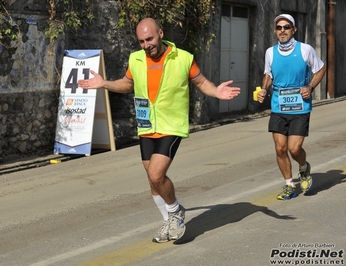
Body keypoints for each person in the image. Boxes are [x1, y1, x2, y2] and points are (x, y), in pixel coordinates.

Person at [77, 18, 240, 243]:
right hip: (146, 125)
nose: (146, 45)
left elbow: (201, 82)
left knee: (156, 174)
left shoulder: (183, 58)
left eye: (150, 39)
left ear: (161, 33)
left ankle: (175, 212)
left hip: (171, 125)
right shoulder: (136, 59)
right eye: (142, 41)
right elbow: (127, 83)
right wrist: (104, 83)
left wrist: (216, 92)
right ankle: (169, 221)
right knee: (152, 180)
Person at [257, 14, 326, 200]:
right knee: (280, 148)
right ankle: (289, 184)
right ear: (275, 31)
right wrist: (264, 89)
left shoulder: (305, 49)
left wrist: (310, 87)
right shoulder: (270, 52)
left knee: (294, 149)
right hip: (279, 106)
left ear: (293, 30)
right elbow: (268, 74)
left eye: (286, 27)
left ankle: (303, 168)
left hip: (300, 106)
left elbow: (320, 68)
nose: (282, 30)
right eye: (279, 27)